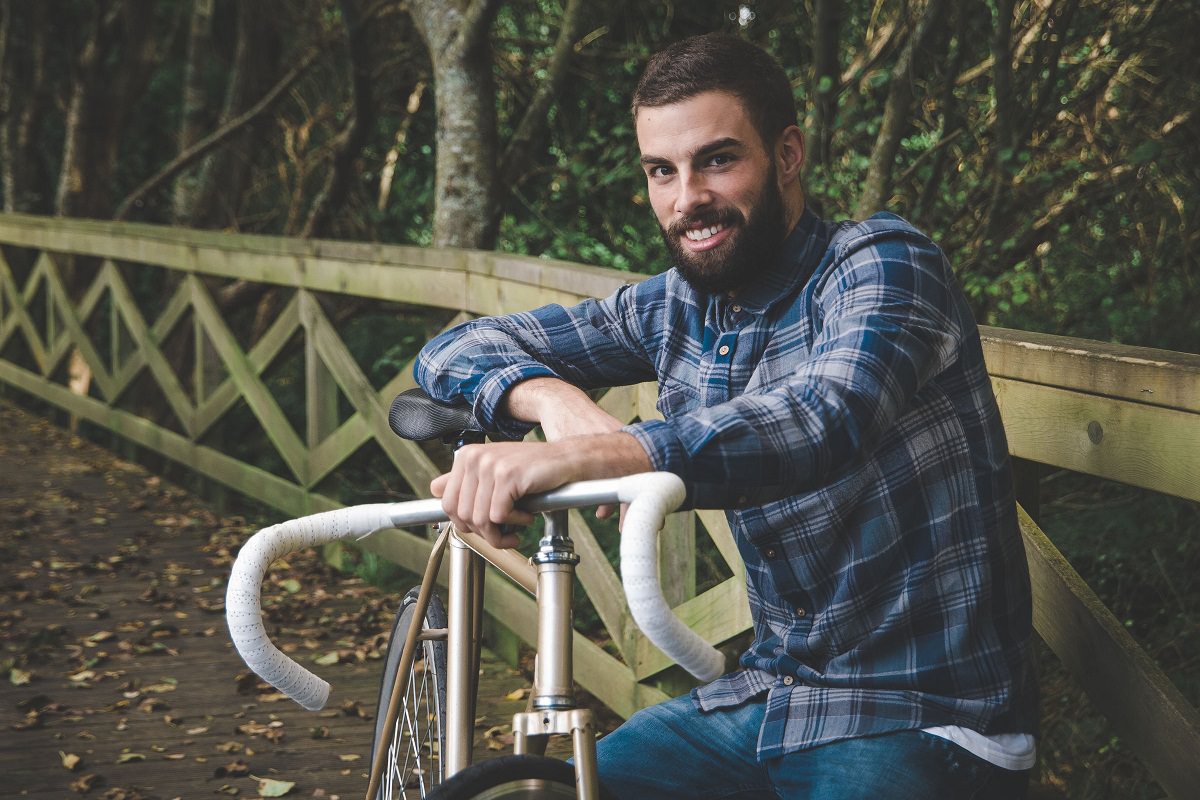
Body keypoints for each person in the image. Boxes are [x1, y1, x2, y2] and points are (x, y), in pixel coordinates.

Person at [415, 33, 1037, 800]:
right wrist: (555, 403)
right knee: (562, 789)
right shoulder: (678, 306)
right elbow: (453, 349)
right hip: (772, 697)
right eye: (660, 172)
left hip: (922, 713)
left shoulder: (885, 262)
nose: (686, 200)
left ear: (786, 154)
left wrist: (595, 457)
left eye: (717, 159)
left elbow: (822, 419)